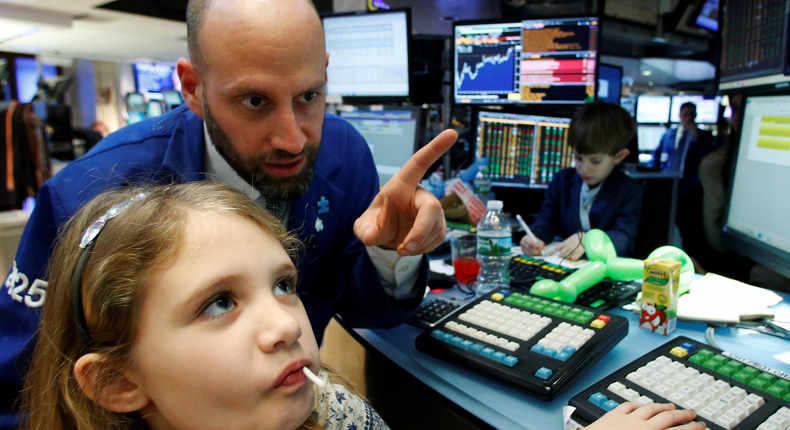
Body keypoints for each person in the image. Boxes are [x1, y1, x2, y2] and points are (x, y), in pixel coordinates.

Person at [0, 0, 456, 425]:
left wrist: (393, 251)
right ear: (194, 88)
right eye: (255, 101)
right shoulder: (87, 195)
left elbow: (363, 307)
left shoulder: (343, 152)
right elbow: (20, 392)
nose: (294, 140)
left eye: (309, 96)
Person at [22, 182, 703, 430]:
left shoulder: (327, 409)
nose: (286, 324)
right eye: (220, 303)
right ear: (116, 380)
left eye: (283, 284)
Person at [520, 102, 642, 260]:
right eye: (578, 158)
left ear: (619, 156)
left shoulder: (629, 190)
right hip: (564, 265)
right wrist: (533, 237)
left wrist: (590, 240)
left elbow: (624, 237)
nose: (584, 168)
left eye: (595, 161)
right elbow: (547, 221)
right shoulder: (562, 181)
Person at [648, 102, 714, 176]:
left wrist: (696, 137)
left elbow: (708, 158)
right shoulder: (668, 134)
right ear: (680, 115)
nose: (688, 118)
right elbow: (656, 156)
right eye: (685, 114)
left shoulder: (704, 136)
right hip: (667, 177)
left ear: (695, 116)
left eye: (691, 114)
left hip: (691, 180)